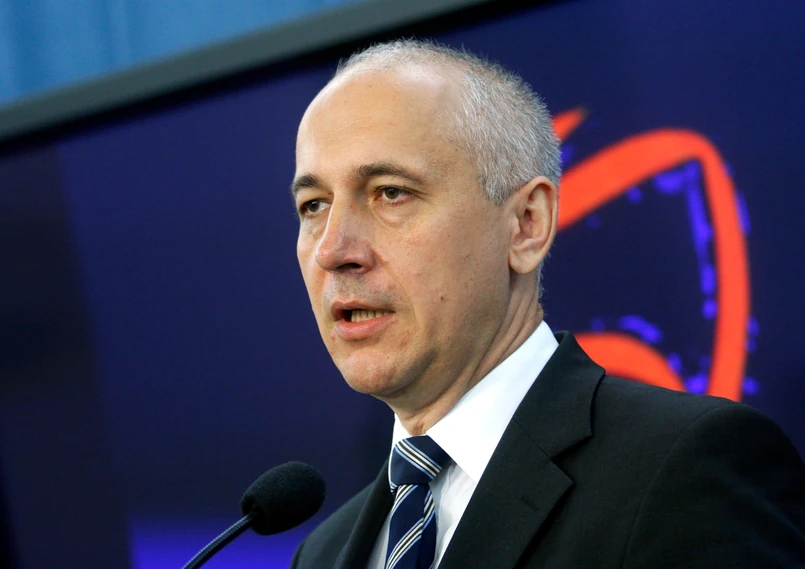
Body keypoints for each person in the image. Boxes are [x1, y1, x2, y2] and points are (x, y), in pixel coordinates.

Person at [288, 39, 805, 569]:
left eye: (391, 192)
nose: (333, 251)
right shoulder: (322, 553)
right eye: (314, 205)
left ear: (526, 224)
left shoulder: (685, 468)